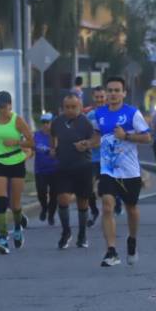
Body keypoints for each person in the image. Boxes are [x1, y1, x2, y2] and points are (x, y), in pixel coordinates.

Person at [89, 76, 151, 267]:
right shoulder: (99, 114)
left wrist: (127, 136)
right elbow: (97, 138)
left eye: (117, 90)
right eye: (110, 90)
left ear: (124, 93)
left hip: (129, 171)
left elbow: (147, 137)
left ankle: (132, 240)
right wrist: (86, 144)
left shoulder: (132, 113)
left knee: (131, 209)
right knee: (107, 206)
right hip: (108, 169)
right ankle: (111, 251)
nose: (113, 94)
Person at [0, 90, 34, 254]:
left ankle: (18, 227)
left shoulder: (17, 120)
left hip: (16, 162)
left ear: (10, 105)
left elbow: (32, 141)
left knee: (15, 204)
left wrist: (17, 142)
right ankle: (3, 238)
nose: (2, 110)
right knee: (0, 200)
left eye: (4, 107)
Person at [51, 94, 95, 249]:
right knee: (62, 199)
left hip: (83, 166)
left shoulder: (86, 123)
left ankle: (82, 235)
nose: (70, 110)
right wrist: (53, 149)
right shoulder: (57, 122)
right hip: (63, 167)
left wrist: (86, 144)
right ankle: (66, 231)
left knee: (82, 201)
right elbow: (53, 138)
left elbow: (95, 141)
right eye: (67, 107)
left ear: (80, 107)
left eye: (73, 107)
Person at [84, 86, 106, 227]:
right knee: (88, 188)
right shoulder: (89, 116)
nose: (99, 100)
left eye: (101, 97)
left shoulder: (111, 113)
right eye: (97, 97)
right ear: (93, 97)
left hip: (107, 158)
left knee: (106, 189)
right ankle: (94, 211)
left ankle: (116, 204)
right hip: (92, 158)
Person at [34, 112, 59, 224]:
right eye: (43, 122)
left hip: (55, 169)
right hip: (40, 170)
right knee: (41, 192)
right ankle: (44, 208)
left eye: (48, 122)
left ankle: (51, 215)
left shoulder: (57, 135)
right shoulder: (36, 135)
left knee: (54, 195)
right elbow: (31, 147)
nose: (45, 125)